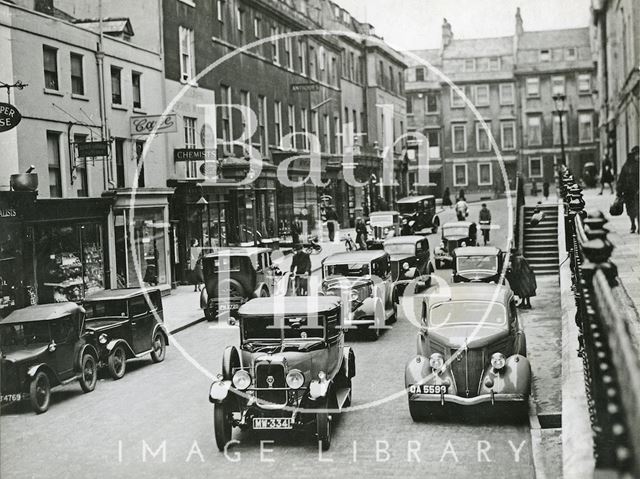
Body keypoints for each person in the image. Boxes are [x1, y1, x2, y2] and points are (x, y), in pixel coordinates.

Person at [616, 146, 640, 233]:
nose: (638, 156)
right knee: (630, 210)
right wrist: (619, 191)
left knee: (638, 209)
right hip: (628, 192)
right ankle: (633, 224)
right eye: (637, 154)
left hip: (637, 191)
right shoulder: (626, 166)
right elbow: (621, 179)